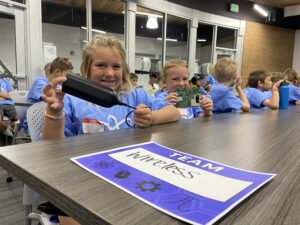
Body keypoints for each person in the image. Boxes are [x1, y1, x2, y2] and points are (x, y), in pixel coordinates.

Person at [41, 35, 179, 225]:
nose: (110, 73)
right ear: (87, 68)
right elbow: (52, 150)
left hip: (128, 177)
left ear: (124, 69)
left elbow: (173, 112)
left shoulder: (134, 95)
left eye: (116, 66)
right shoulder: (72, 100)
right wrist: (54, 111)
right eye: (101, 65)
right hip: (81, 182)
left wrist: (152, 118)